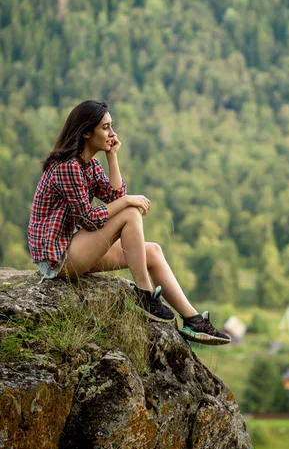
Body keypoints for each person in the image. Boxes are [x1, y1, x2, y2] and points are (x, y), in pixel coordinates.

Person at [28, 99, 230, 346]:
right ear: (86, 132)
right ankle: (145, 295)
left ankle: (193, 321)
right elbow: (90, 219)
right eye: (105, 127)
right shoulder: (67, 167)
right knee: (131, 212)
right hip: (58, 260)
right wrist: (127, 203)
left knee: (153, 251)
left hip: (75, 248)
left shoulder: (89, 165)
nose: (112, 133)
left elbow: (114, 197)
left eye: (112, 126)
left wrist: (112, 157)